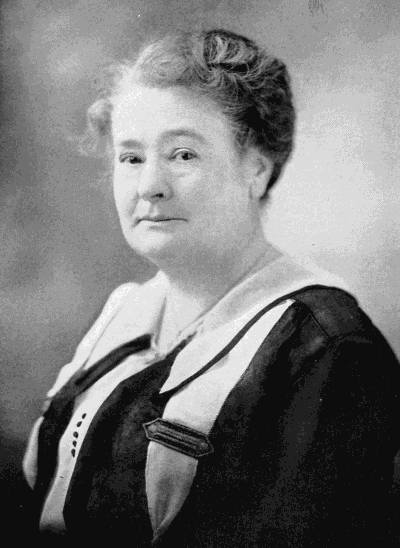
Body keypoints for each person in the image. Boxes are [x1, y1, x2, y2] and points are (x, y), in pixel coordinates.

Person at [23, 28, 400, 546]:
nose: (149, 185)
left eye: (183, 155)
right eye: (131, 158)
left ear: (257, 170)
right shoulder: (127, 310)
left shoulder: (328, 350)